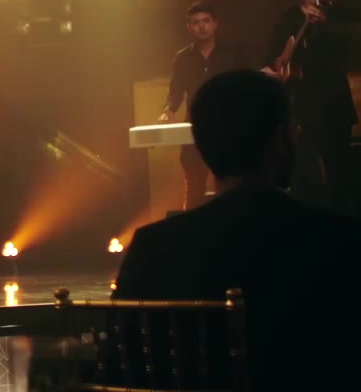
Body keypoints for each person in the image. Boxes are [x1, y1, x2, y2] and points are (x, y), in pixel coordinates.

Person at [114, 70, 360, 391]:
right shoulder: (340, 242)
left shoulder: (152, 248)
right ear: (282, 140)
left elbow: (123, 363)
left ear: (201, 146)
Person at [259, 0, 357, 213]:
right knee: (303, 178)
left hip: (333, 106)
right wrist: (270, 72)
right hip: (300, 109)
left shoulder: (336, 13)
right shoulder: (287, 19)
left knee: (339, 176)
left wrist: (326, 24)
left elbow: (350, 50)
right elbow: (270, 59)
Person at [157, 0, 243, 209]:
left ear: (215, 24)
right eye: (196, 22)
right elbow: (175, 92)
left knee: (229, 190)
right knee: (194, 192)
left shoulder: (231, 54)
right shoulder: (182, 58)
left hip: (227, 129)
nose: (202, 26)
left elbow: (243, 85)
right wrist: (167, 110)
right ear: (189, 27)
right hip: (194, 131)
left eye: (206, 21)